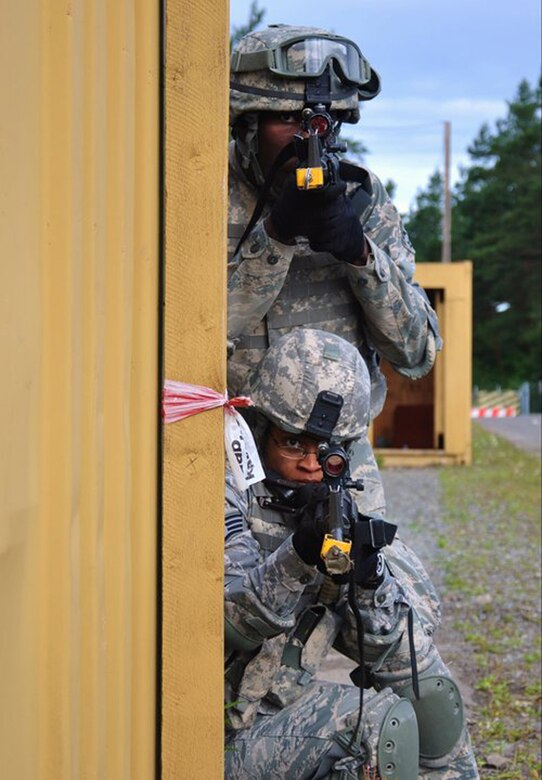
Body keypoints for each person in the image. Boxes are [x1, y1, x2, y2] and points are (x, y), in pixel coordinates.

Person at [225, 328, 478, 779]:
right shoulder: (229, 483)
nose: (309, 464)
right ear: (261, 427)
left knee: (432, 704)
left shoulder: (342, 495)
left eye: (326, 453)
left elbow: (407, 647)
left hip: (272, 710)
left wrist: (369, 581)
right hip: (210, 732)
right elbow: (229, 624)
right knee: (376, 727)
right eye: (292, 444)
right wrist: (299, 553)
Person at [227, 24, 442, 515]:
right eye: (289, 120)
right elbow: (184, 341)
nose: (309, 136)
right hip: (230, 454)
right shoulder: (202, 196)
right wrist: (275, 240)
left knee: (364, 586)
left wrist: (361, 255)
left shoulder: (362, 199)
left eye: (323, 121)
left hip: (338, 460)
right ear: (247, 123)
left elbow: (416, 350)